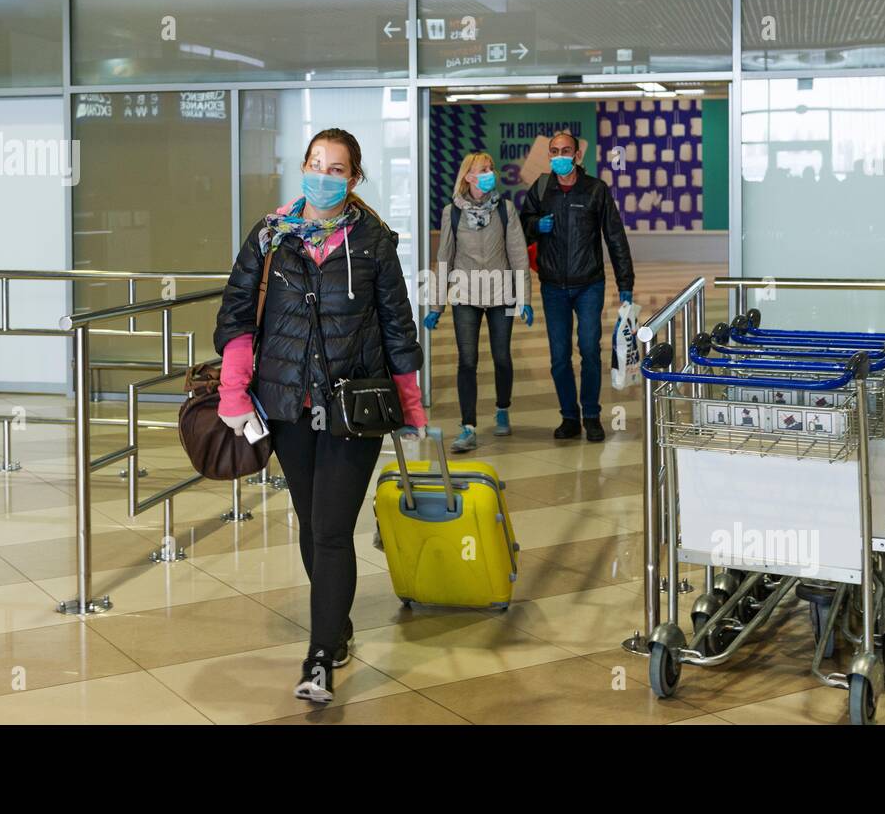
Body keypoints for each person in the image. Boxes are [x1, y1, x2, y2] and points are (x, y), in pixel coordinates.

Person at [213, 127, 426, 705]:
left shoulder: (374, 240)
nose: (324, 176)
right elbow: (236, 313)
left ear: (353, 179)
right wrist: (234, 391)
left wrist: (410, 404)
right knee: (311, 526)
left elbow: (396, 324)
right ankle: (338, 625)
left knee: (332, 531)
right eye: (315, 164)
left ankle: (318, 657)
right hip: (286, 406)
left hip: (351, 410)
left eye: (336, 169)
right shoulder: (270, 234)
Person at [520, 130, 635, 442]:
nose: (560, 156)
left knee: (589, 348)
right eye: (554, 151)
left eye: (565, 150)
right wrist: (534, 225)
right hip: (553, 285)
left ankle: (592, 416)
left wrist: (626, 282)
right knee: (559, 356)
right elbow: (520, 227)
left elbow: (615, 237)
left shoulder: (595, 190)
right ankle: (569, 417)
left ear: (577, 155)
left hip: (589, 285)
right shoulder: (542, 188)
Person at [423, 152, 533, 453]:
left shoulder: (505, 210)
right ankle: (468, 427)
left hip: (501, 292)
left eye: (491, 168)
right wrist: (436, 305)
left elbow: (519, 255)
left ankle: (502, 408)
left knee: (501, 356)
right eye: (483, 169)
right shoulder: (452, 212)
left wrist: (524, 298)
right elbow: (444, 257)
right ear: (468, 176)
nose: (490, 173)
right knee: (467, 361)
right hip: (465, 294)